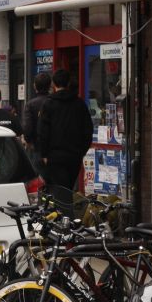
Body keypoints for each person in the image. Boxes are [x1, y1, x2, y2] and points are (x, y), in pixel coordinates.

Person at [37, 69, 93, 215]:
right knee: (67, 188)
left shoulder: (49, 104)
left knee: (61, 192)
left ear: (54, 84)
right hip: (74, 156)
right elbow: (88, 131)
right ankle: (67, 219)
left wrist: (44, 154)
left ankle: (66, 221)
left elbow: (43, 132)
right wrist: (81, 151)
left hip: (55, 156)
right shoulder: (79, 104)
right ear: (68, 83)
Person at [22, 72, 50, 169]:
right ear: (50, 85)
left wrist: (29, 141)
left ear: (35, 86)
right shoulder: (54, 102)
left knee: (36, 179)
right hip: (54, 149)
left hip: (37, 148)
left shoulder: (31, 105)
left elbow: (27, 128)